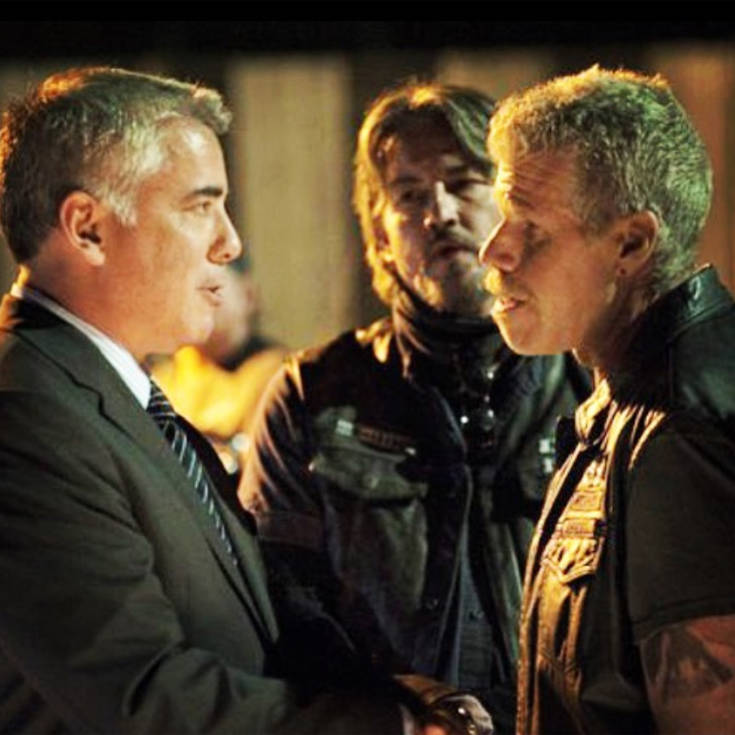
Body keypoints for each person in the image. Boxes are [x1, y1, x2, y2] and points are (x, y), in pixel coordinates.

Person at [0, 66, 490, 735]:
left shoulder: (105, 394)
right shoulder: (26, 412)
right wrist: (387, 726)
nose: (229, 243)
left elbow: (250, 610)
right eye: (200, 206)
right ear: (87, 228)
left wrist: (390, 691)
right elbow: (143, 696)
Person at [240, 81, 590, 734]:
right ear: (378, 231)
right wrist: (393, 704)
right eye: (408, 195)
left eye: (464, 182)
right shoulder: (311, 394)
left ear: (517, 205)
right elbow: (276, 603)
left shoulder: (592, 381)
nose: (438, 212)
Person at [480, 65, 735, 734]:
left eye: (530, 227)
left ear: (631, 243)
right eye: (500, 217)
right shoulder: (629, 398)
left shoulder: (676, 435)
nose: (493, 250)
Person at [149, 256, 287, 482]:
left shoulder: (280, 377)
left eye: (211, 288)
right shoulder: (159, 378)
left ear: (248, 295)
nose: (192, 301)